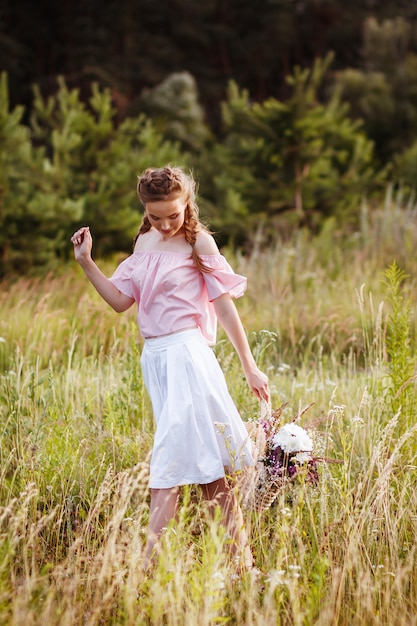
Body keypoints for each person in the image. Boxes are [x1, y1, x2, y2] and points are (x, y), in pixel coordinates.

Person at [71, 165, 270, 572]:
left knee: (172, 462)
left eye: (173, 215)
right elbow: (121, 301)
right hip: (157, 360)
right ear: (145, 209)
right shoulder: (144, 241)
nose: (164, 225)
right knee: (207, 472)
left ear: (187, 203)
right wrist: (86, 262)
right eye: (156, 215)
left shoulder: (199, 243)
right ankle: (242, 567)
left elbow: (225, 309)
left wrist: (250, 367)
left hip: (188, 356)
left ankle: (146, 568)